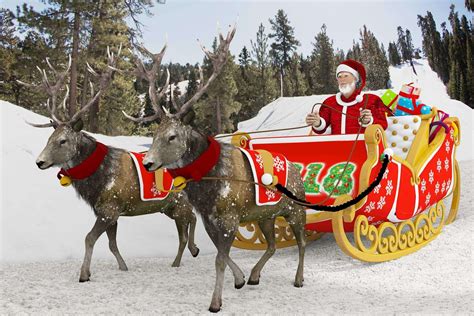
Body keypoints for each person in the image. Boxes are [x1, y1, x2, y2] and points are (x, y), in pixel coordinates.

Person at [306, 59, 390, 135]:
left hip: (364, 148)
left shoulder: (371, 99)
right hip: (337, 148)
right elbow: (321, 128)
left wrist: (369, 121)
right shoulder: (330, 102)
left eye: (346, 76)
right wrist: (318, 123)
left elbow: (383, 124)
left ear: (355, 78)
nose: (342, 79)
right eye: (339, 77)